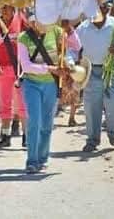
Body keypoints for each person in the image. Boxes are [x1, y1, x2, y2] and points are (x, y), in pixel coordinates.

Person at [17, 14, 81, 173]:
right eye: (35, 21)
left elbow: (76, 46)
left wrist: (69, 29)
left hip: (51, 85)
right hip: (31, 83)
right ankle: (31, 160)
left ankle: (43, 158)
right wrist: (49, 69)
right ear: (31, 23)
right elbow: (26, 65)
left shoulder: (57, 31)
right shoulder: (23, 38)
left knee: (46, 124)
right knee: (34, 121)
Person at [76, 0, 114, 152]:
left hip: (113, 70)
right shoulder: (83, 28)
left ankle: (113, 133)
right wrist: (71, 62)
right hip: (91, 71)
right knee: (91, 107)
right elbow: (72, 48)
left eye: (104, 7)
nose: (101, 10)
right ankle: (92, 140)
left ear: (107, 9)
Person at [0, 5, 26, 147]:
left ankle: (26, 136)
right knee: (5, 103)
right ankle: (5, 135)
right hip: (2, 69)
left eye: (7, 7)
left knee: (22, 104)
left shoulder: (20, 19)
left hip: (19, 69)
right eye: (2, 7)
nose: (4, 10)